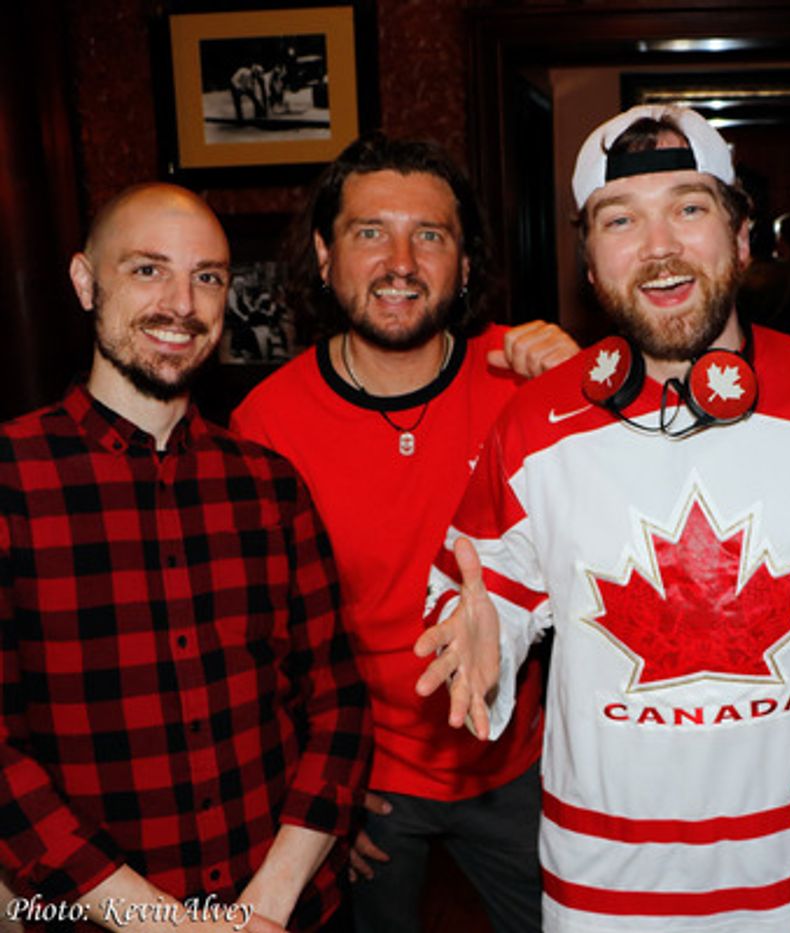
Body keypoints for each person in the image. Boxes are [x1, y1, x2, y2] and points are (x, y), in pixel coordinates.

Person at [414, 104, 790, 932]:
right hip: (602, 897)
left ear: (741, 236)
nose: (658, 246)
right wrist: (477, 632)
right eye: (620, 220)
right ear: (589, 262)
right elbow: (477, 597)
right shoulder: (532, 425)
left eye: (689, 208)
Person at [0, 183, 371, 932]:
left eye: (207, 277)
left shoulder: (269, 484)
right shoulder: (12, 476)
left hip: (286, 910)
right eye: (148, 270)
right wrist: (161, 923)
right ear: (85, 282)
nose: (182, 304)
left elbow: (338, 704)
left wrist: (265, 906)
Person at [232, 133, 577, 933]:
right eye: (369, 232)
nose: (400, 262)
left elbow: (636, 537)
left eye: (430, 235)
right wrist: (314, 798)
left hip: (518, 763)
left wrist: (592, 391)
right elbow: (259, 643)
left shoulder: (525, 382)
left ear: (465, 263)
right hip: (366, 781)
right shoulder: (266, 423)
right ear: (325, 257)